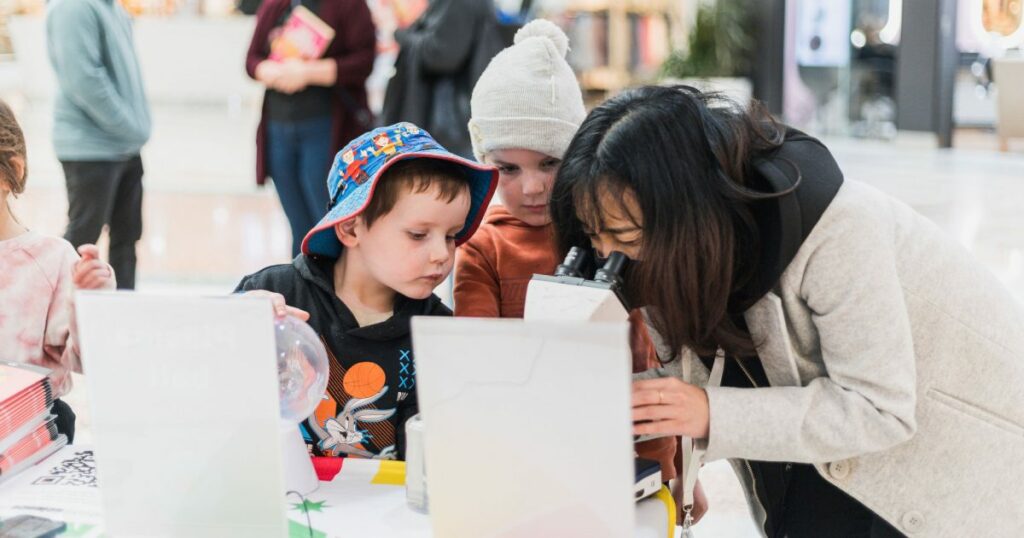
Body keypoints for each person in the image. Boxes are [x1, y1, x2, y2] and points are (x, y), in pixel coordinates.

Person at [550, 85, 1024, 536]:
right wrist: (610, 400)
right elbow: (701, 385)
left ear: (685, 212)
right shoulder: (659, 255)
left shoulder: (838, 231)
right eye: (595, 236)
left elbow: (879, 409)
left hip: (945, 472)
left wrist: (708, 411)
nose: (612, 254)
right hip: (827, 469)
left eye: (626, 236)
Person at [453, 19, 687, 514]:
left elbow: (651, 368)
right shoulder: (482, 248)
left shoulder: (617, 235)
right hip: (527, 464)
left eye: (550, 162)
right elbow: (479, 372)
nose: (532, 187)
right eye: (507, 169)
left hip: (629, 466)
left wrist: (672, 472)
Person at [236, 123, 497, 459]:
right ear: (350, 228)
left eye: (451, 235)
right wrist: (238, 325)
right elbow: (210, 387)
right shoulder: (275, 294)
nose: (442, 254)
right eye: (418, 234)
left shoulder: (437, 333)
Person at [0, 100, 115, 443]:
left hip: (29, 435)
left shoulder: (50, 261)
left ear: (12, 172)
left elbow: (89, 359)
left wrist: (90, 301)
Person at [246, 0, 377, 257]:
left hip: (326, 128)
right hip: (279, 127)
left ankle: (332, 292)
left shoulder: (349, 6)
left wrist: (308, 73)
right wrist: (269, 70)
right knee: (298, 225)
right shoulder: (276, 5)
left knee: (329, 221)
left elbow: (364, 61)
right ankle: (302, 286)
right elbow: (251, 60)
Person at [46, 0, 152, 290]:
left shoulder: (112, 7)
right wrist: (130, 126)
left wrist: (133, 130)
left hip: (124, 147)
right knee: (81, 241)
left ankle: (122, 316)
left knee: (126, 240)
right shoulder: (73, 7)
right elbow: (83, 80)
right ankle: (57, 313)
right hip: (90, 149)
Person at [381, 0, 505, 158]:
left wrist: (401, 35)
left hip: (451, 125)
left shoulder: (459, 4)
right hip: (460, 124)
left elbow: (441, 54)